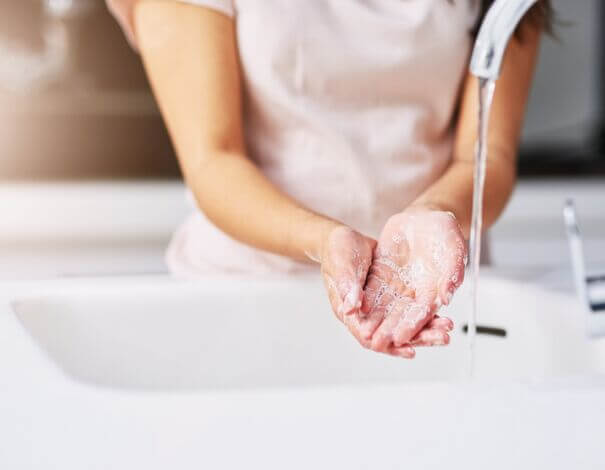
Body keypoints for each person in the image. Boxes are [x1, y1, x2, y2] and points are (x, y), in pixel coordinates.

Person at [106, 0, 550, 359]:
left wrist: (435, 212)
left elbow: (487, 156)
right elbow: (213, 161)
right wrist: (324, 240)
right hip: (244, 298)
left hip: (428, 299)